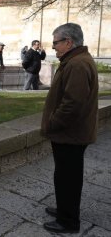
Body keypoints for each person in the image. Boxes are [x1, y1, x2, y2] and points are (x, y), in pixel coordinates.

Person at [41, 23, 98, 234]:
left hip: (70, 134)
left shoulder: (77, 65)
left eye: (56, 42)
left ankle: (68, 221)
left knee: (68, 177)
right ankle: (64, 210)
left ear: (68, 42)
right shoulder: (76, 60)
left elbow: (73, 104)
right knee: (66, 175)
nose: (53, 47)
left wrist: (52, 123)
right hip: (72, 133)